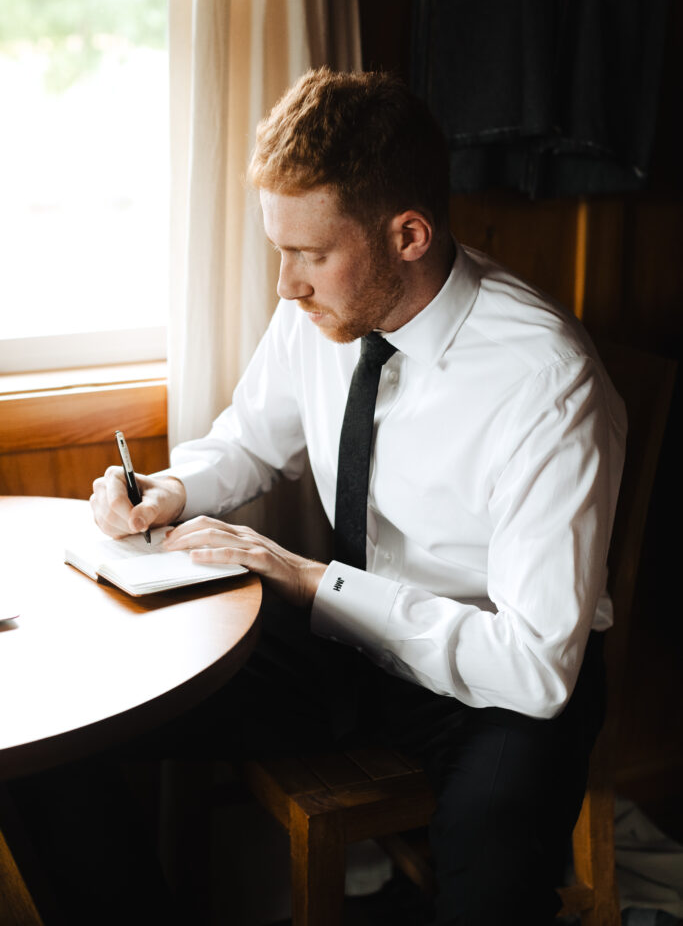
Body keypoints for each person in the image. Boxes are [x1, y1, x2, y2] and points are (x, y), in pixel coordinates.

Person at [39, 69, 629, 925]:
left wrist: (310, 582)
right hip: (339, 643)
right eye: (281, 250)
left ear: (409, 235)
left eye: (310, 254)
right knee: (74, 728)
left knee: (489, 902)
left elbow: (535, 666)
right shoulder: (323, 311)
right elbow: (250, 441)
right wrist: (166, 489)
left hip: (494, 684)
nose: (286, 284)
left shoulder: (545, 382)